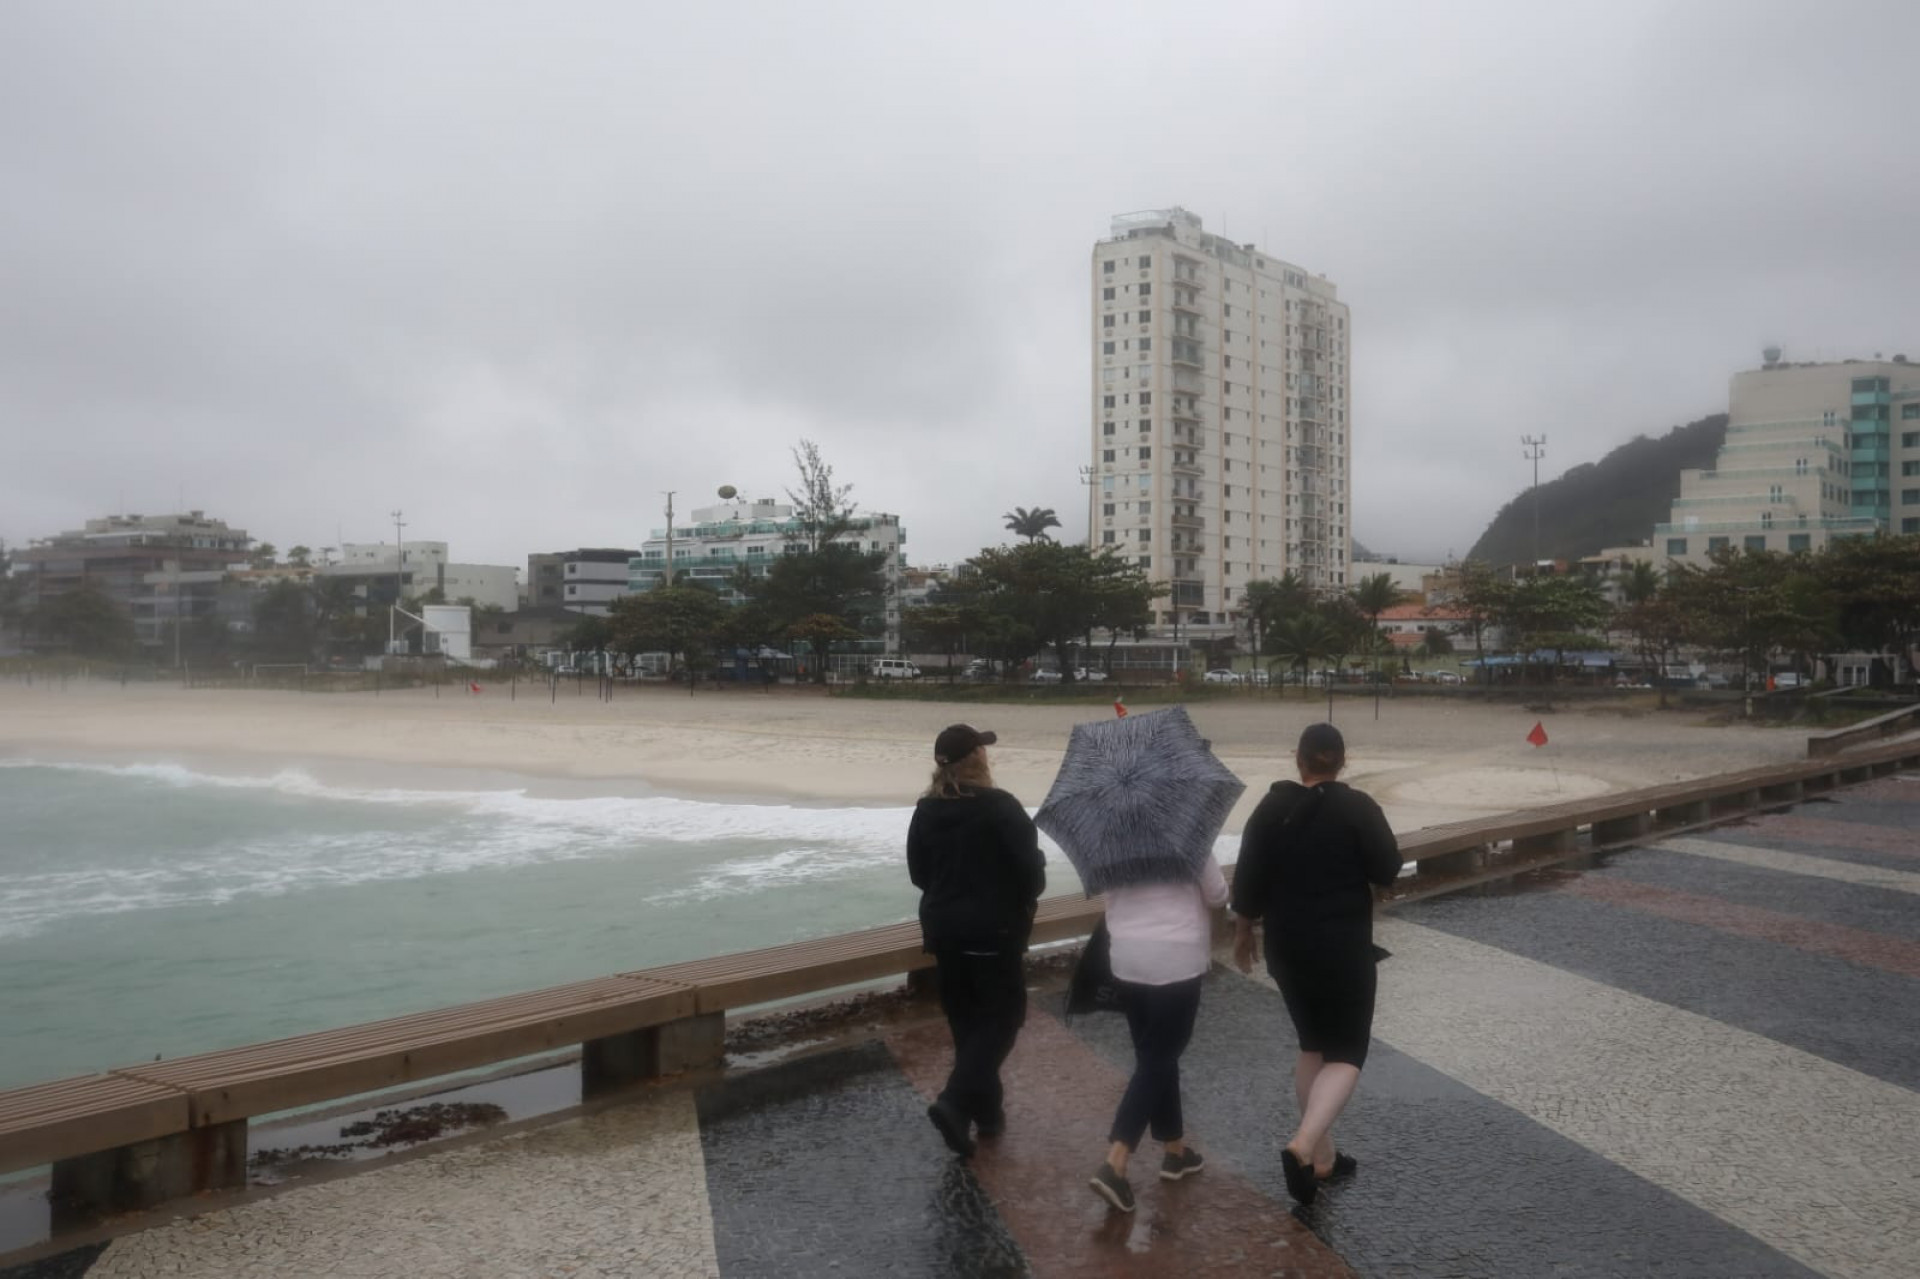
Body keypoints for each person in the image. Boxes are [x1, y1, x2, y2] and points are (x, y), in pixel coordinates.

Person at [1231, 722, 1401, 1206]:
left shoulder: (1269, 808)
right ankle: (1302, 1144)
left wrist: (1244, 931)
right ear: (1342, 761)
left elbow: (1248, 877)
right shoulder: (1356, 806)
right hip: (1341, 945)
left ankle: (1321, 1157)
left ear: (1298, 758)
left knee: (1312, 1045)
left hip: (1286, 946)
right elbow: (1387, 867)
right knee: (1347, 1052)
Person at [907, 723, 1046, 1158]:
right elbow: (1031, 877)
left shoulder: (926, 809)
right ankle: (954, 1102)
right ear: (978, 759)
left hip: (945, 932)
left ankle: (987, 1112)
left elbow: (919, 874)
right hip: (995, 931)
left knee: (968, 1021)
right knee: (1003, 1020)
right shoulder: (1001, 807)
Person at [1087, 849, 1229, 1213]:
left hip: (1127, 960)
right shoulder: (1188, 834)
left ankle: (1175, 1151)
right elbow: (1217, 894)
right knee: (1158, 1057)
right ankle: (1116, 1161)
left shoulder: (1115, 838)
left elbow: (1108, 896)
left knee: (1156, 1056)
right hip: (1176, 959)